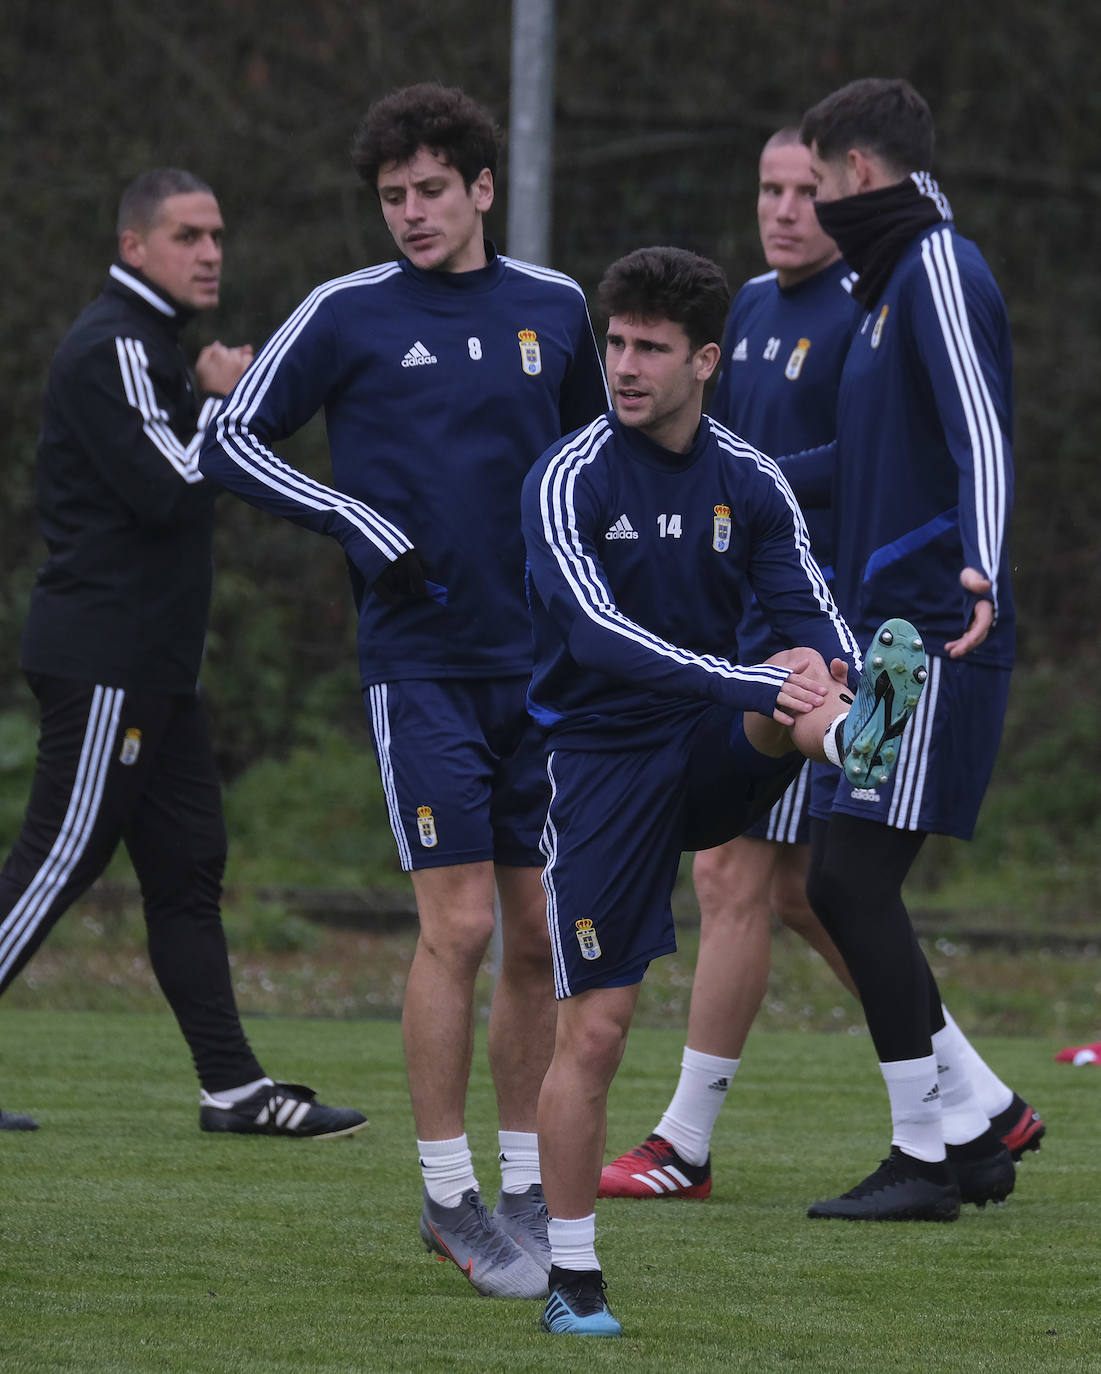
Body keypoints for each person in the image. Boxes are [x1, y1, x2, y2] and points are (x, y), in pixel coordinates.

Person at [199, 84, 608, 1298]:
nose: (412, 214)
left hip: (543, 676)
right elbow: (227, 441)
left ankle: (528, 1183)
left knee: (539, 931)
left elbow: (603, 465)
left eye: (433, 190)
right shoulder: (346, 312)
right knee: (462, 926)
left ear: (483, 188)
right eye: (393, 197)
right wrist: (352, 518)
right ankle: (446, 1196)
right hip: (419, 669)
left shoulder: (557, 308)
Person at [599, 130, 1043, 1200]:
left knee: (763, 877)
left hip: (843, 642)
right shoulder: (744, 310)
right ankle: (975, 1105)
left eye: (810, 189)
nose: (787, 209)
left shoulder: (886, 295)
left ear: (851, 190)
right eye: (769, 187)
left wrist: (746, 499)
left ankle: (690, 1142)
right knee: (802, 886)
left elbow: (902, 457)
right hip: (756, 634)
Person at [523, 245, 929, 1336]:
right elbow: (603, 641)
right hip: (602, 765)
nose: (625, 366)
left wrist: (830, 667)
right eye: (615, 343)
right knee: (598, 1033)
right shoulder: (568, 477)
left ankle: (855, 733)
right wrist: (767, 678)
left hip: (705, 743)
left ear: (705, 359)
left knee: (800, 680)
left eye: (652, 348)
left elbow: (808, 605)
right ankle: (571, 1278)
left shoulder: (749, 479)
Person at [0, 169, 367, 1141]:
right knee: (62, 855)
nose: (211, 251)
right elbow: (170, 487)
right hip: (106, 657)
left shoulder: (153, 349)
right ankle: (234, 1085)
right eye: (188, 234)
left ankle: (233, 1088)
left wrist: (203, 392)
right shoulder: (114, 346)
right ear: (134, 247)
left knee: (189, 864)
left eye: (216, 234)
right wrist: (218, 402)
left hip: (157, 666)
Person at [792, 77, 1027, 1219]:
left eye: (820, 180)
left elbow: (983, 429)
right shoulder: (882, 288)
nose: (812, 203)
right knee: (841, 876)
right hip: (890, 640)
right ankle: (971, 1135)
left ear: (860, 173)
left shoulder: (938, 268)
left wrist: (981, 561)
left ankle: (932, 1156)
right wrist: (742, 485)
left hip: (933, 629)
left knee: (846, 874)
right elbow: (861, 461)